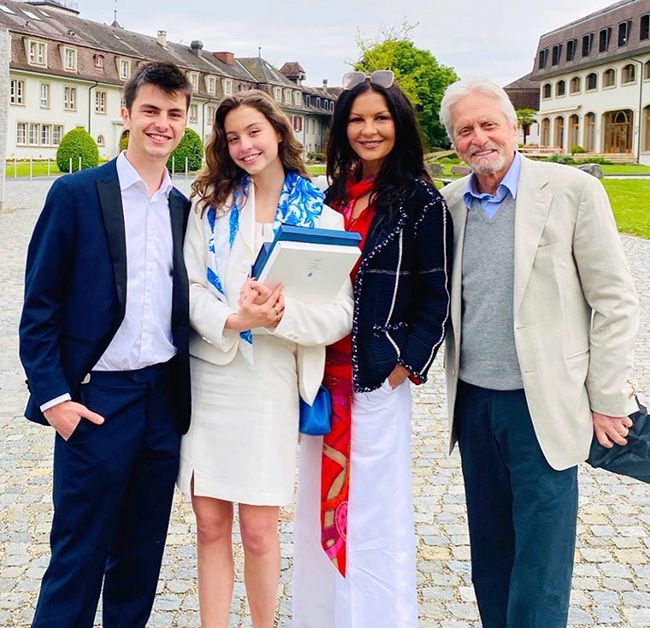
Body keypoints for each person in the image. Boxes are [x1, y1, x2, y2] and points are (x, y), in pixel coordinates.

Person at [438, 77, 639, 628]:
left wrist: (606, 396)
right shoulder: (450, 204)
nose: (479, 138)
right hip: (475, 404)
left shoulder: (571, 191)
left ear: (513, 127)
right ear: (454, 142)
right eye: (465, 130)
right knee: (491, 551)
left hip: (544, 403)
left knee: (543, 561)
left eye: (488, 124)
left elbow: (615, 302)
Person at [18, 61, 193, 628]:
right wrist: (55, 400)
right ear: (126, 115)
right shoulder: (74, 194)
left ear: (186, 121)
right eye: (150, 111)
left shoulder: (184, 209)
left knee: (140, 559)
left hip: (161, 401)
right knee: (77, 556)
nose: (161, 124)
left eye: (173, 113)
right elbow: (39, 306)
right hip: (95, 401)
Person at [179, 89, 353, 627]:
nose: (244, 145)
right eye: (232, 137)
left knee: (257, 530)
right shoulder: (208, 211)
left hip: (271, 385)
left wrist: (278, 318)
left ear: (278, 132)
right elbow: (185, 288)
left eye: (254, 131)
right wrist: (235, 320)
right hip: (211, 376)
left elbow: (338, 316)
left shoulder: (321, 220)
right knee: (209, 525)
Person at [291, 70, 451, 628]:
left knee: (371, 519)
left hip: (374, 379)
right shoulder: (327, 197)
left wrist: (407, 363)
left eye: (380, 118)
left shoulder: (420, 202)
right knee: (317, 516)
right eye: (356, 119)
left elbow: (437, 295)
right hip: (318, 381)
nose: (368, 129)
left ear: (399, 125)